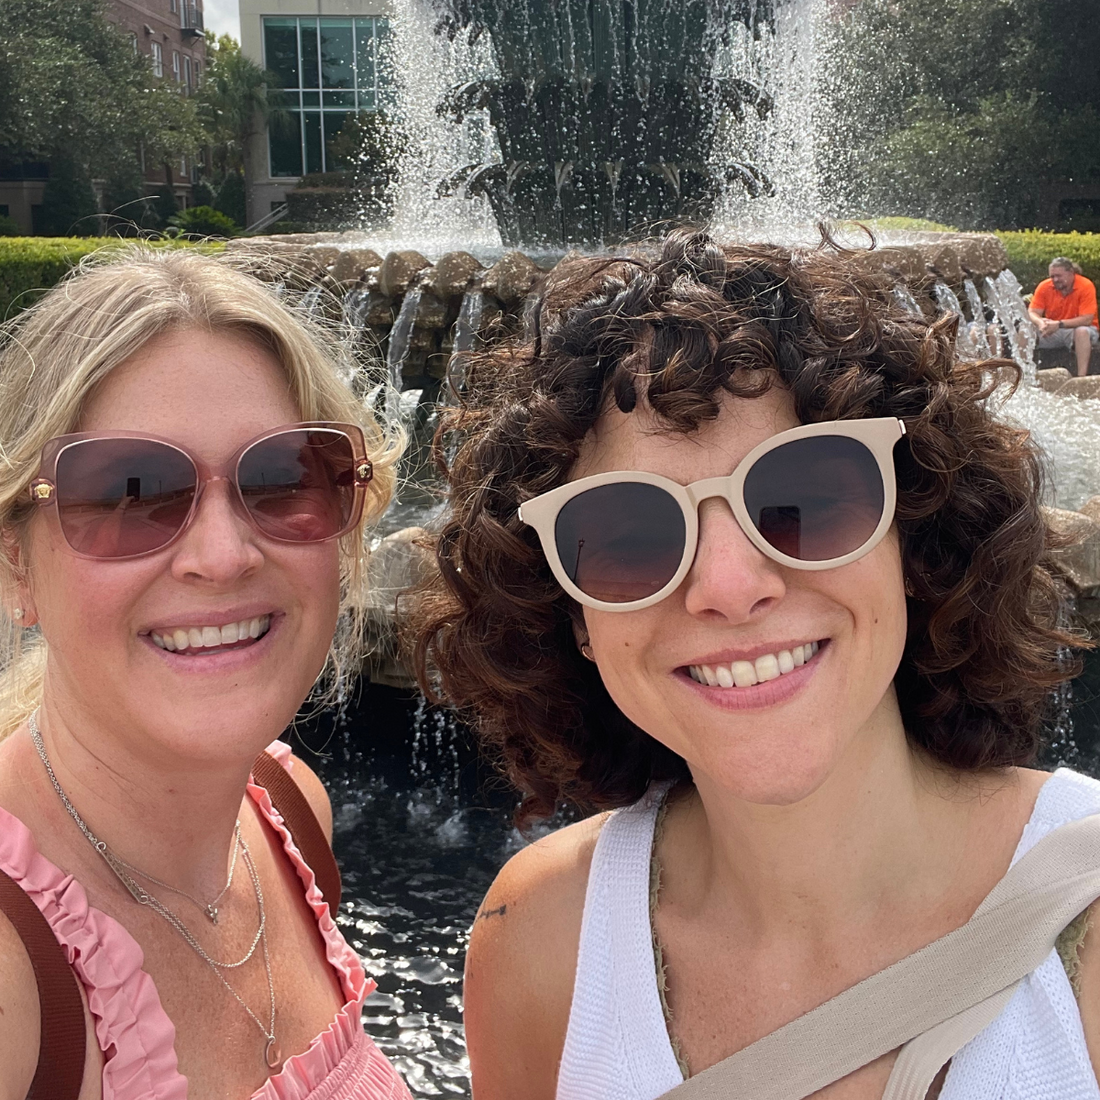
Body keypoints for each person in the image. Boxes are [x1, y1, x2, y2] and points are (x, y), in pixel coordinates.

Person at [413, 229, 1100, 1099]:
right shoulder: (539, 937)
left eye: (805, 497)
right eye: (628, 534)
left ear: (913, 535)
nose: (730, 588)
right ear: (573, 615)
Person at [0, 247, 413, 1099]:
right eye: (130, 491)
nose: (223, 555)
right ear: (15, 566)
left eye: (287, 477)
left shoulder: (290, 812)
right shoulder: (16, 981)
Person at [1028, 256, 1099, 376]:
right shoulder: (1045, 286)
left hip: (1081, 330)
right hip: (1052, 330)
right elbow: (1032, 312)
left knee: (1081, 331)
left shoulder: (1085, 285)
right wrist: (1040, 322)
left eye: (1058, 276)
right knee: (1025, 329)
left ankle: (1081, 377)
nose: (1055, 280)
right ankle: (1023, 372)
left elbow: (1087, 319)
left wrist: (1059, 324)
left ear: (1071, 273)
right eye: (1052, 276)